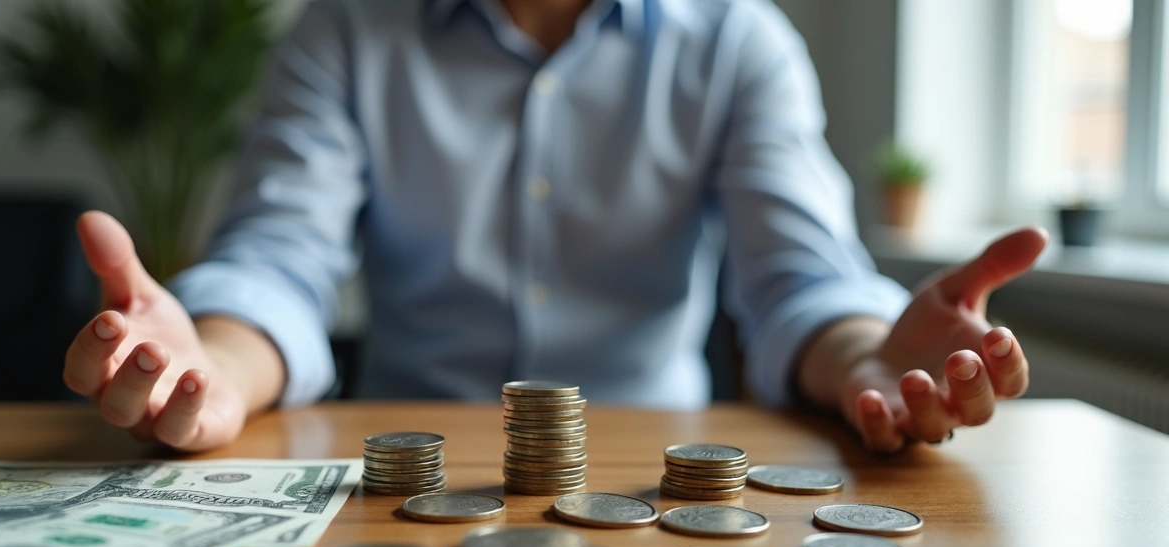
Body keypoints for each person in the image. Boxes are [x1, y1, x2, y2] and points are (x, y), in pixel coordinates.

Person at [63, 0, 1046, 453]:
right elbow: (279, 266)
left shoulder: (739, 40)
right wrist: (216, 371)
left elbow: (798, 285)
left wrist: (871, 354)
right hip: (405, 476)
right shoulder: (344, 32)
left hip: (663, 489)